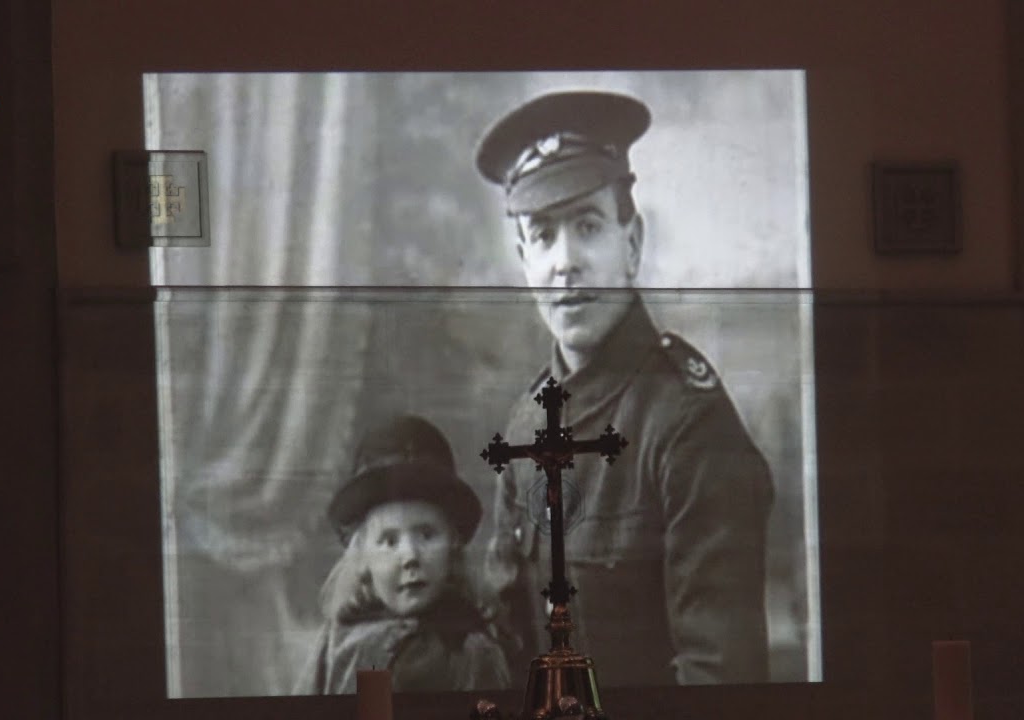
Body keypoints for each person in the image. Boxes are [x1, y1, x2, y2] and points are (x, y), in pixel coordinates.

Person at [474, 91, 775, 687]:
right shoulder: (523, 429)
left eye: (587, 227)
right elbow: (502, 646)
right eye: (543, 235)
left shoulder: (688, 424)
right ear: (523, 261)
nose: (565, 264)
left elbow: (721, 679)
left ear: (631, 245)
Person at [295, 415, 511, 694]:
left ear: (453, 546)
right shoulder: (345, 648)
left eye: (427, 535)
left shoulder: (474, 651)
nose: (410, 556)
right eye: (389, 541)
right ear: (364, 558)